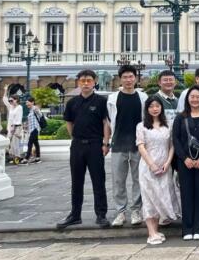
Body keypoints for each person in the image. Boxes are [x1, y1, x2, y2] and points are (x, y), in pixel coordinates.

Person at [57, 70, 110, 229]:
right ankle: (75, 215)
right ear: (78, 82)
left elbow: (105, 123)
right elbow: (69, 122)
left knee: (98, 180)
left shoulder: (101, 101)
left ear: (94, 82)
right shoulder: (72, 103)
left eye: (89, 80)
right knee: (76, 181)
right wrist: (75, 138)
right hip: (78, 145)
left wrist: (105, 143)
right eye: (82, 81)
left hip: (95, 144)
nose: (85, 83)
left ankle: (101, 214)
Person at [172, 85, 199, 240]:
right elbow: (176, 139)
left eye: (198, 96)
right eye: (192, 97)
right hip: (185, 162)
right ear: (187, 99)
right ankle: (187, 229)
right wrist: (184, 158)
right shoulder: (181, 117)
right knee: (186, 194)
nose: (195, 99)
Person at [107, 64, 148, 227]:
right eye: (125, 77)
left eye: (131, 77)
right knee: (118, 180)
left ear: (135, 78)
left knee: (139, 179)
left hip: (138, 144)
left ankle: (136, 210)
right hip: (118, 143)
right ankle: (121, 212)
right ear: (120, 79)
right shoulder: (112, 99)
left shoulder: (143, 97)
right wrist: (106, 142)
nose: (128, 80)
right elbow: (107, 122)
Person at [136, 95, 180, 245]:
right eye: (151, 106)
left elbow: (172, 146)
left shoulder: (168, 125)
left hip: (164, 167)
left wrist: (167, 163)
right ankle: (151, 232)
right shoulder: (141, 126)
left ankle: (157, 229)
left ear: (161, 107)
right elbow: (141, 146)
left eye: (157, 106)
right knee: (149, 198)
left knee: (161, 195)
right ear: (147, 109)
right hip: (148, 167)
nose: (154, 109)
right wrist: (152, 164)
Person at [2, 87, 23, 164]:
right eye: (10, 101)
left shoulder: (19, 107)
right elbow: (4, 100)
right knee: (8, 142)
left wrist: (14, 127)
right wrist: (5, 90)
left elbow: (18, 118)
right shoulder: (10, 107)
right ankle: (12, 156)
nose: (10, 102)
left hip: (16, 127)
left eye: (12, 100)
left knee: (15, 143)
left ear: (16, 100)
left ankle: (17, 157)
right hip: (10, 127)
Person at [25, 97, 43, 164]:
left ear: (32, 102)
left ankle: (26, 158)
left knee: (30, 143)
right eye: (26, 103)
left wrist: (37, 110)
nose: (26, 104)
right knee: (36, 143)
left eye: (27, 102)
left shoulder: (35, 108)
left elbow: (40, 115)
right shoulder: (30, 110)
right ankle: (38, 158)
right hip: (32, 129)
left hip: (35, 129)